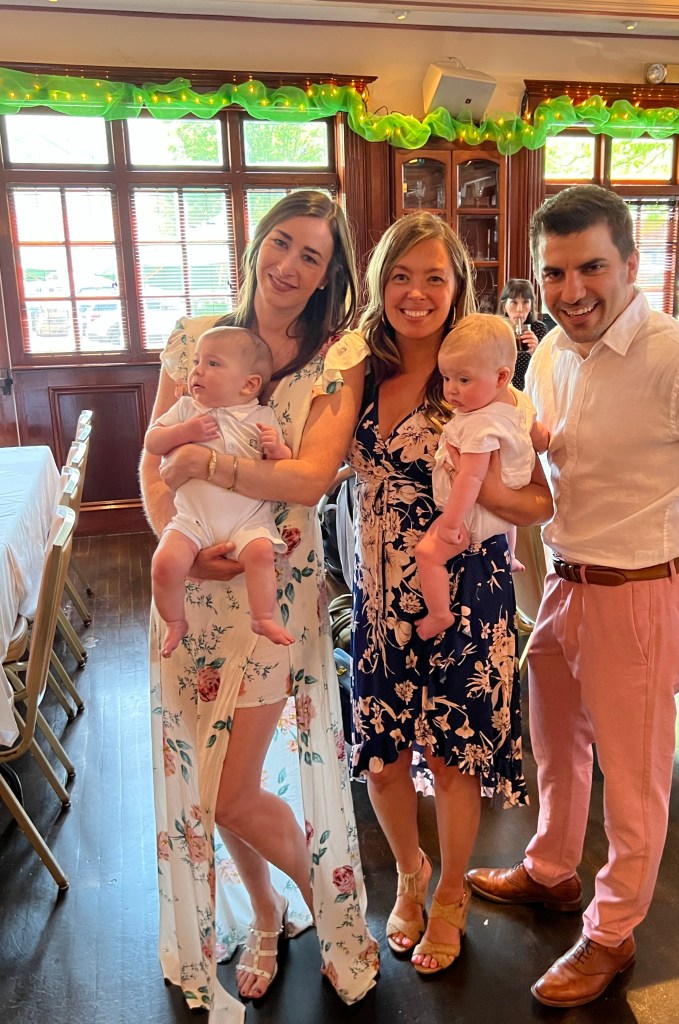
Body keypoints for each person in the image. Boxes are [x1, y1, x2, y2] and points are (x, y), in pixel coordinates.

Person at [467, 184, 679, 1008]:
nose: (572, 291)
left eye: (591, 267)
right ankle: (552, 870)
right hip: (564, 584)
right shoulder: (549, 353)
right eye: (555, 272)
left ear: (631, 264)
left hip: (640, 595)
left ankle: (612, 933)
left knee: (633, 785)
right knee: (555, 748)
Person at [139, 190, 378, 1022]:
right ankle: (267, 913)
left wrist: (211, 467)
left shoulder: (335, 360)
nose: (289, 265)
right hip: (194, 586)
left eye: (312, 256)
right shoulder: (196, 340)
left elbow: (308, 480)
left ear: (327, 276)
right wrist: (178, 538)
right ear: (255, 247)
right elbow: (152, 460)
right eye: (281, 243)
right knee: (213, 781)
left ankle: (328, 903)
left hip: (275, 588)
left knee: (233, 787)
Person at [322, 212, 553, 977]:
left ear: (457, 288)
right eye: (400, 275)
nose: (415, 292)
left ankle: (451, 892)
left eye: (434, 277)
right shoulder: (358, 371)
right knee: (383, 759)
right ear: (379, 282)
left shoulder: (481, 378)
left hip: (469, 593)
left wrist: (481, 493)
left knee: (454, 760)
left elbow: (540, 502)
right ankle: (410, 872)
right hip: (380, 595)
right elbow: (317, 463)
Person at [145, 325, 294, 657]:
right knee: (165, 563)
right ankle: (174, 621)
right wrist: (184, 431)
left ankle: (262, 617)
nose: (197, 370)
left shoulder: (262, 416)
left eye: (212, 363)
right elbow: (152, 442)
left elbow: (282, 468)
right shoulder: (186, 408)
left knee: (261, 554)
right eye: (197, 361)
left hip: (246, 520)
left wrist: (277, 450)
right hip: (192, 520)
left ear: (249, 384)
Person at [414, 312, 549, 640]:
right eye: (447, 378)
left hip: (471, 515)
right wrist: (544, 442)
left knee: (427, 554)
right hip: (509, 508)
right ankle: (511, 556)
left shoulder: (479, 424)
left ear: (501, 376)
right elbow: (540, 436)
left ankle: (439, 613)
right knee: (506, 519)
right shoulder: (518, 400)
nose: (451, 390)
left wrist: (451, 522)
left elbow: (471, 479)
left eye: (463, 380)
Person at [498, 278, 551, 390]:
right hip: (500, 391)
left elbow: (550, 370)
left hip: (530, 391)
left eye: (525, 302)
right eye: (514, 302)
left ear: (531, 306)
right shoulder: (496, 330)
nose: (519, 309)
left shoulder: (539, 329)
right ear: (504, 307)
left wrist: (536, 352)